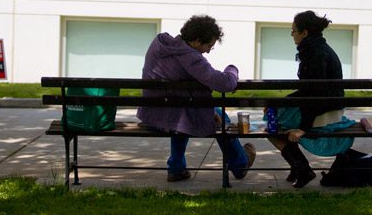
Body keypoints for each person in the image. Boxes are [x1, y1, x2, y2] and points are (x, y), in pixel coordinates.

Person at [137, 15, 255, 182]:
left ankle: (176, 168)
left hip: (152, 113)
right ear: (198, 40)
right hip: (169, 114)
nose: (207, 51)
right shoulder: (190, 57)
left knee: (182, 114)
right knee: (220, 116)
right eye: (209, 46)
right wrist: (232, 69)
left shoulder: (160, 43)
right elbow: (224, 83)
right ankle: (240, 163)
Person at [266, 10, 356, 188]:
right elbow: (308, 91)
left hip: (325, 111)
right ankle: (298, 167)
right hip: (328, 106)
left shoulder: (315, 54)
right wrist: (277, 103)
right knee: (274, 115)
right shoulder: (316, 49)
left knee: (272, 126)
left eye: (294, 31)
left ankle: (302, 169)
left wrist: (303, 128)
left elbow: (313, 95)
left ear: (305, 33)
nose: (292, 35)